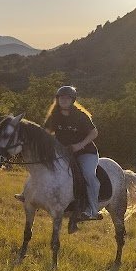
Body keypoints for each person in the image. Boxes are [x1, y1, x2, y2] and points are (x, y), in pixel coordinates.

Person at [44, 85, 101, 220]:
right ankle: (29, 194)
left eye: (67, 98)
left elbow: (94, 132)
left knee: (88, 174)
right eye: (61, 97)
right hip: (64, 153)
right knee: (43, 166)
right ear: (57, 99)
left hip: (85, 152)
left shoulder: (80, 116)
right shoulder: (54, 116)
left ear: (72, 100)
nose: (63, 100)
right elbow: (45, 133)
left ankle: (93, 210)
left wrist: (79, 145)